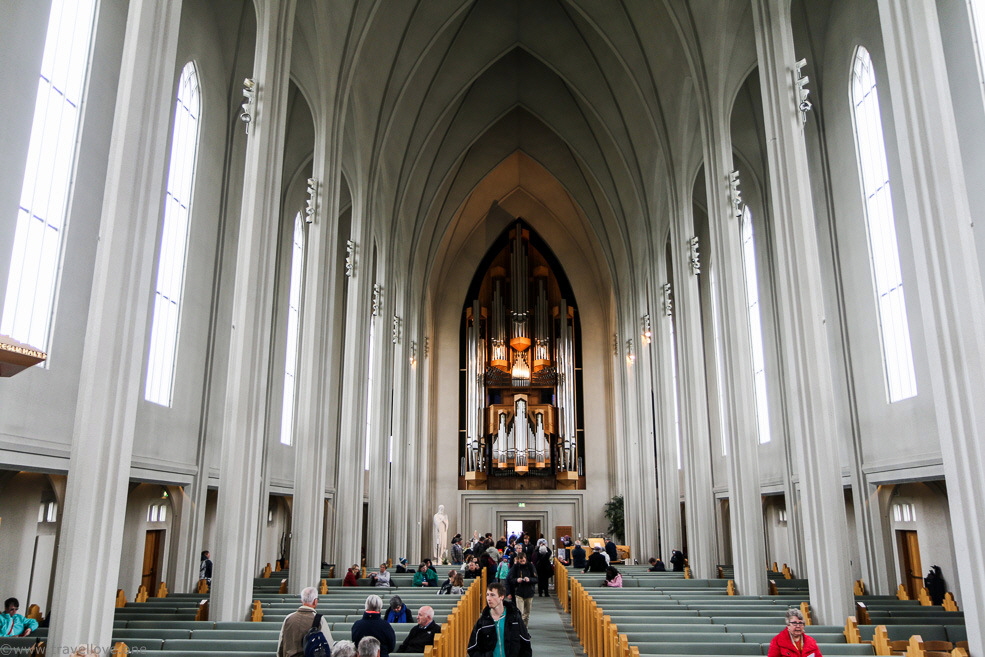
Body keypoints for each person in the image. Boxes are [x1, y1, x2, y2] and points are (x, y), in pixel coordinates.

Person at [467, 582, 532, 657]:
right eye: (487, 595)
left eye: (492, 595)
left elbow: (525, 643)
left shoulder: (514, 619)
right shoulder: (482, 622)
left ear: (501, 597)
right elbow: (472, 648)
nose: (489, 598)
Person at [275, 587, 333, 657]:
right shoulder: (319, 619)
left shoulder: (288, 618)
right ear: (315, 601)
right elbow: (329, 646)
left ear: (301, 601)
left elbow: (281, 646)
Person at [505, 551, 537, 627]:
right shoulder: (515, 567)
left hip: (529, 592)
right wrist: (517, 580)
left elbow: (536, 579)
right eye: (520, 561)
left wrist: (529, 579)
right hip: (519, 593)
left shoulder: (530, 566)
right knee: (520, 612)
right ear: (518, 560)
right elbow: (510, 579)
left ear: (525, 559)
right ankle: (520, 629)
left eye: (523, 561)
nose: (522, 562)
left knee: (527, 613)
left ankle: (525, 628)